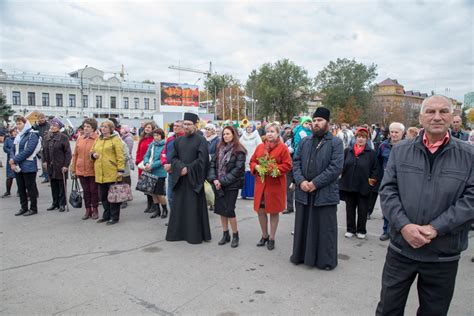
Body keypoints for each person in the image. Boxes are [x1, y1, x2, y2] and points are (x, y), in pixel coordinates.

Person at [376, 95, 474, 315]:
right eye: (430, 111)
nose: (437, 117)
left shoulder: (469, 155)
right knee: (388, 309)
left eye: (443, 111)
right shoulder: (400, 151)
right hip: (402, 249)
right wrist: (404, 226)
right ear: (420, 117)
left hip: (443, 254)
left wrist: (435, 228)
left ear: (452, 117)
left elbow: (471, 200)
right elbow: (388, 191)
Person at [290, 107, 343, 270]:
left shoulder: (335, 142)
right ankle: (301, 256)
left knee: (324, 229)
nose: (316, 123)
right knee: (303, 225)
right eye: (314, 120)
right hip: (304, 191)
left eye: (320, 120)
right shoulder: (305, 141)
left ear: (328, 123)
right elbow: (296, 162)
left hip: (324, 193)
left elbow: (335, 168)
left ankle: (324, 261)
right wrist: (301, 181)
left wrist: (314, 183)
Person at [166, 112, 211, 244]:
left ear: (195, 125)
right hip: (181, 179)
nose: (186, 126)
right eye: (184, 124)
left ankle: (193, 235)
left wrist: (189, 169)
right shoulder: (178, 140)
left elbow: (203, 161)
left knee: (193, 208)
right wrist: (181, 168)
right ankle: (178, 233)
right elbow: (173, 158)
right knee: (179, 207)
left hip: (193, 179)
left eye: (188, 124)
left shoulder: (201, 140)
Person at [250, 122, 292, 250]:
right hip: (261, 185)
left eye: (272, 131)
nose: (269, 134)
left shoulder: (283, 148)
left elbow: (288, 165)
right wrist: (256, 166)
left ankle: (272, 238)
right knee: (261, 211)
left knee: (273, 211)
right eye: (268, 131)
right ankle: (265, 235)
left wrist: (273, 169)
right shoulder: (260, 147)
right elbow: (252, 161)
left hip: (275, 186)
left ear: (278, 133)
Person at [208, 126, 246, 248]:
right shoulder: (219, 147)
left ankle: (235, 235)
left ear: (233, 135)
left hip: (231, 185)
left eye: (228, 134)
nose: (225, 136)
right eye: (224, 134)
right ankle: (225, 234)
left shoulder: (239, 150)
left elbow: (237, 170)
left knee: (229, 210)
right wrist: (214, 179)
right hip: (218, 183)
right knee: (220, 210)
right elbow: (213, 164)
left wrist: (221, 181)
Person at [340, 127, 379, 239]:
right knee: (349, 209)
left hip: (363, 187)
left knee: (362, 210)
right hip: (349, 186)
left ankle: (361, 230)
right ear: (355, 138)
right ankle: (350, 229)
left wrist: (370, 183)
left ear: (367, 139)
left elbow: (375, 170)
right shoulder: (348, 151)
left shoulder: (371, 153)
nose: (360, 139)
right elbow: (342, 166)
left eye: (363, 137)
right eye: (359, 137)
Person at [91, 120, 125, 225]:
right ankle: (106, 215)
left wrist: (120, 170)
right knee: (103, 196)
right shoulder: (98, 139)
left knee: (113, 196)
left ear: (111, 128)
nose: (103, 128)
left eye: (105, 127)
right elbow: (91, 151)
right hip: (100, 172)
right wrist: (93, 155)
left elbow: (120, 156)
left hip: (112, 172)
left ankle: (114, 217)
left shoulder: (115, 140)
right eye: (102, 126)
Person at [375, 122, 405, 241]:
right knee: (388, 205)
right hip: (386, 181)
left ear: (402, 133)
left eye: (396, 132)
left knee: (401, 206)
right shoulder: (383, 146)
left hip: (403, 181)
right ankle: (386, 230)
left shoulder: (408, 146)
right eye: (392, 132)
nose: (393, 134)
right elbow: (377, 162)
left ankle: (399, 229)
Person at [9, 116, 41, 216]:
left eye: (20, 123)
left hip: (28, 166)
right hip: (18, 166)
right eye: (17, 124)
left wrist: (14, 159)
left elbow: (28, 151)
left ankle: (33, 208)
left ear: (25, 123)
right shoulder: (18, 136)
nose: (18, 126)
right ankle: (23, 207)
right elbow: (12, 149)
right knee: (21, 188)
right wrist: (12, 161)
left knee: (30, 188)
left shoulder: (32, 135)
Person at [71, 118, 99, 220]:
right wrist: (73, 169)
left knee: (93, 191)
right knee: (86, 191)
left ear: (93, 128)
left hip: (92, 169)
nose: (85, 128)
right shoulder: (80, 138)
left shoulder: (97, 139)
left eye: (88, 126)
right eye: (85, 126)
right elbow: (75, 155)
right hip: (81, 169)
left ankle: (95, 209)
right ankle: (88, 209)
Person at [43, 118, 72, 213]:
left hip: (60, 165)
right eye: (51, 125)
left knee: (61, 186)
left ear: (59, 127)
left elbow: (68, 153)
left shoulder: (63, 137)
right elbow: (44, 150)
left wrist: (66, 165)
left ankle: (62, 204)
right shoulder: (47, 137)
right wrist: (44, 161)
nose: (52, 127)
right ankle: (55, 203)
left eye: (55, 126)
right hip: (51, 165)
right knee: (53, 185)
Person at [143, 128, 168, 219]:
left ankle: (165, 209)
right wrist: (146, 163)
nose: (156, 137)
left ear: (161, 136)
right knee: (152, 192)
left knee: (159, 192)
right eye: (154, 135)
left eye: (157, 135)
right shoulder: (152, 145)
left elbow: (163, 160)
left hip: (160, 172)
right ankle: (157, 210)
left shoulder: (165, 145)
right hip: (149, 170)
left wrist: (151, 166)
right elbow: (146, 155)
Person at [162, 120, 184, 219]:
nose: (175, 128)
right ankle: (174, 219)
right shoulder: (170, 139)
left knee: (181, 198)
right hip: (170, 173)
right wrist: (165, 163)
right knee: (170, 197)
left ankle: (182, 219)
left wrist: (172, 166)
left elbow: (185, 157)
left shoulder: (185, 139)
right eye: (174, 126)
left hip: (181, 173)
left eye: (178, 126)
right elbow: (163, 153)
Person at [136, 120, 157, 213]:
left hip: (150, 166)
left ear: (153, 129)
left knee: (152, 186)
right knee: (145, 185)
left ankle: (154, 205)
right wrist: (137, 161)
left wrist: (151, 164)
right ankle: (149, 204)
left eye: (148, 127)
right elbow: (138, 151)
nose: (146, 129)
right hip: (142, 165)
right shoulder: (142, 138)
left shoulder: (155, 139)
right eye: (145, 127)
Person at [239, 124, 262, 200]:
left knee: (251, 176)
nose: (249, 128)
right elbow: (239, 145)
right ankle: (244, 194)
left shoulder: (256, 136)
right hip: (244, 159)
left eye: (250, 127)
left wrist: (257, 158)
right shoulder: (243, 136)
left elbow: (260, 147)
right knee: (244, 177)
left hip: (253, 159)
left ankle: (251, 194)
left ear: (253, 128)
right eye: (248, 127)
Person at [33, 112, 50, 183]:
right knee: (43, 160)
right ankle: (46, 176)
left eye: (42, 118)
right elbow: (32, 131)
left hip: (48, 145)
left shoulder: (48, 125)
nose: (41, 120)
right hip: (40, 145)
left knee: (48, 161)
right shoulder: (37, 126)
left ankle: (49, 176)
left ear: (45, 118)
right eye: (40, 119)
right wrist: (35, 125)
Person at [120, 125, 134, 209]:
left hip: (125, 161)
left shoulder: (128, 139)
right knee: (124, 181)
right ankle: (126, 196)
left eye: (122, 128)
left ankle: (125, 198)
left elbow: (128, 151)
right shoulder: (123, 137)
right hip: (123, 162)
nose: (121, 130)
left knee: (125, 181)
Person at [2, 127, 17, 198]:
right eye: (13, 131)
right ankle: (8, 191)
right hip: (10, 160)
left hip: (18, 159)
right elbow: (5, 148)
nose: (15, 132)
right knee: (9, 177)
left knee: (19, 176)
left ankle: (20, 191)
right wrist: (11, 152)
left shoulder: (19, 138)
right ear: (11, 132)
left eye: (16, 131)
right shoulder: (8, 139)